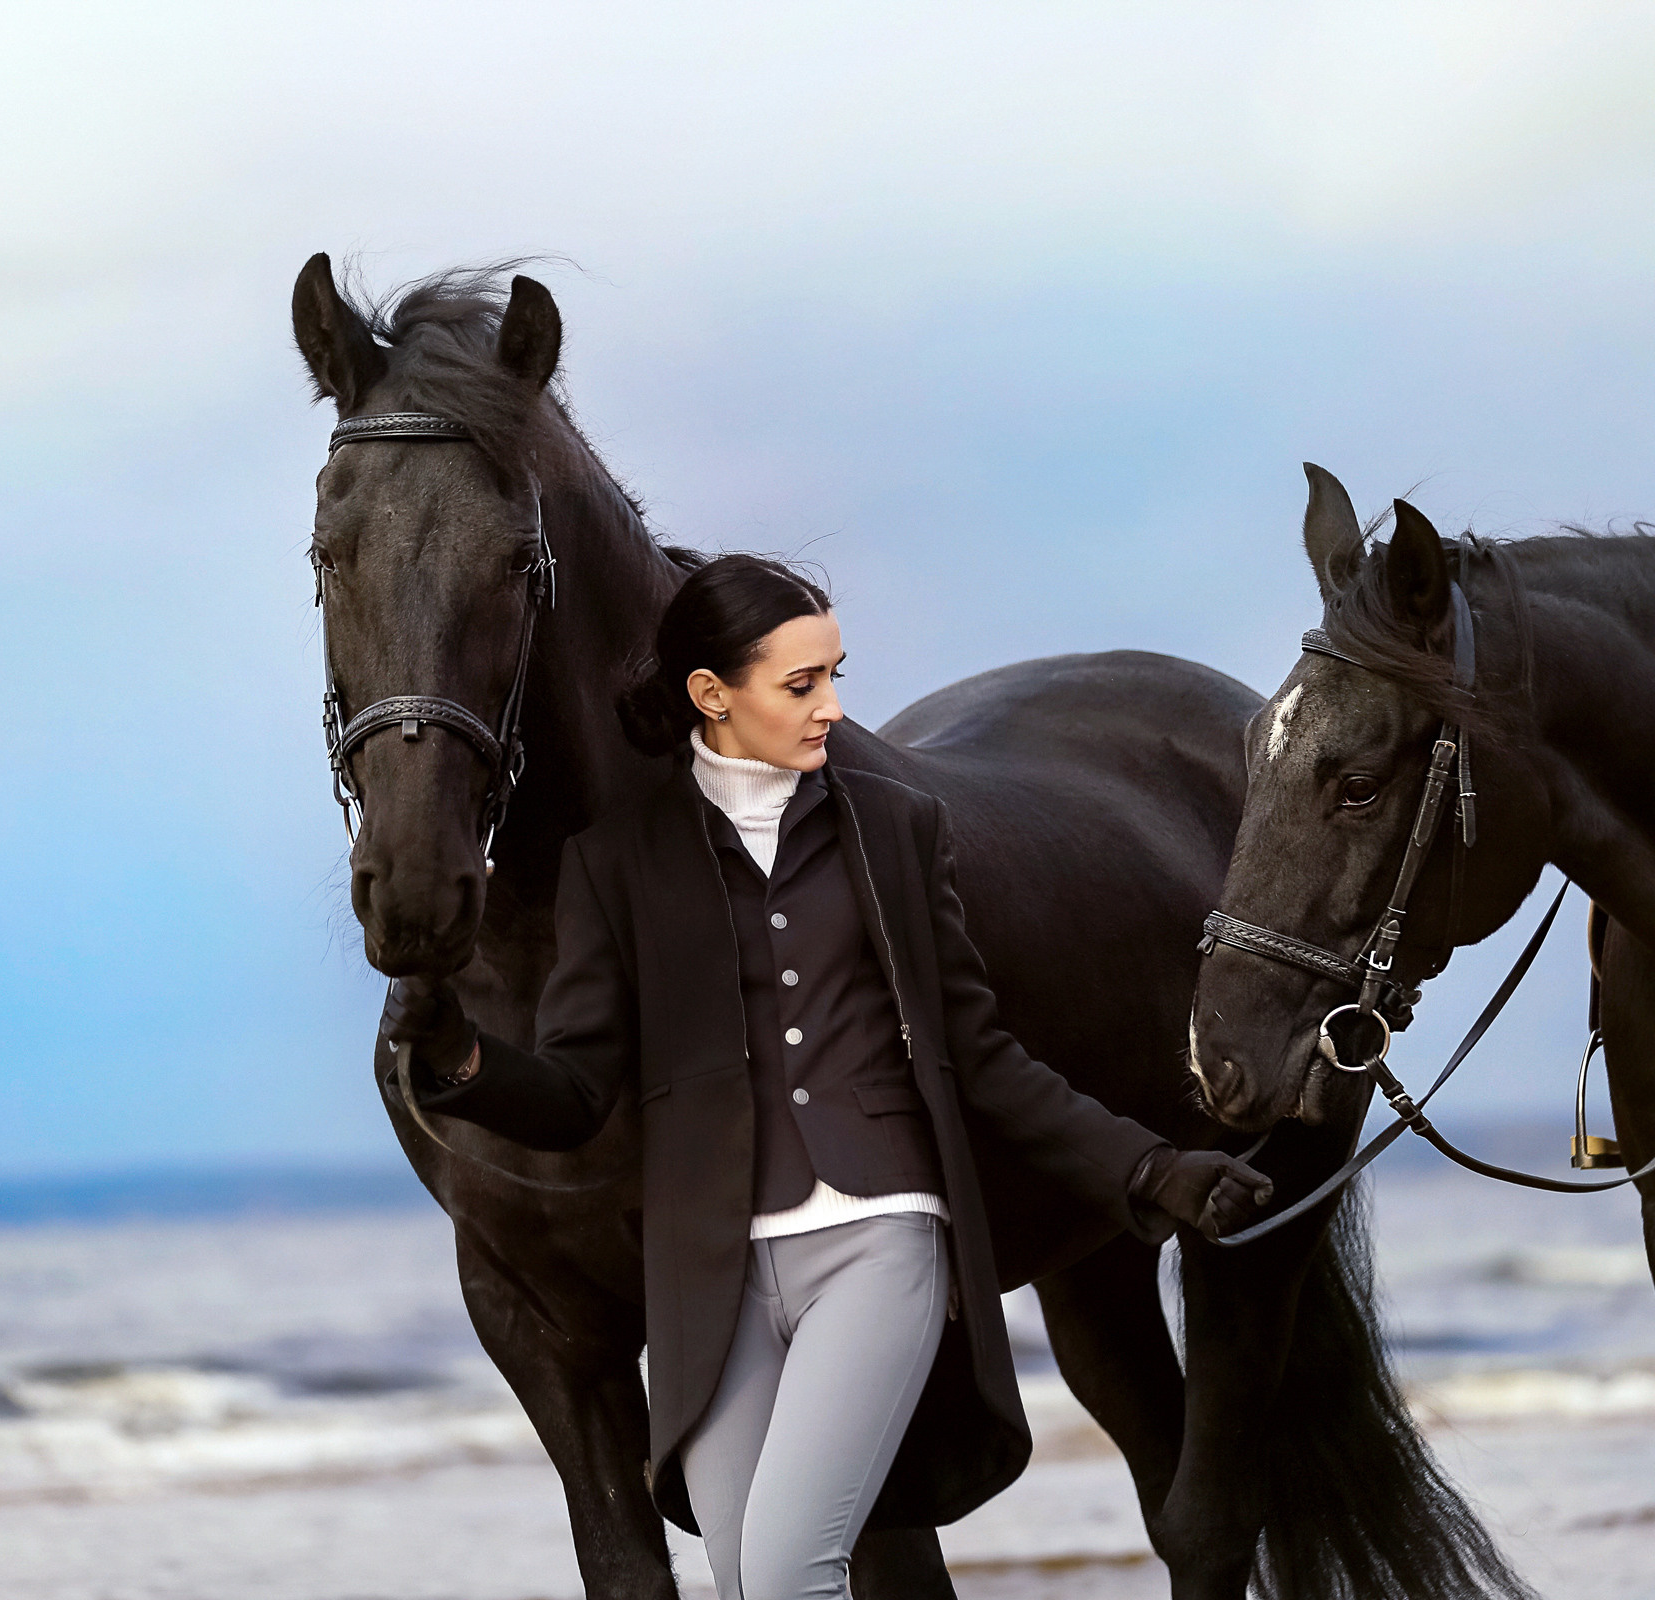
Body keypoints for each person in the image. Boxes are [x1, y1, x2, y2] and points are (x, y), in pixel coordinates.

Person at [384, 554, 1271, 1600]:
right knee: (752, 1571)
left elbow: (982, 1057)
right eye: (801, 685)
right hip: (716, 1277)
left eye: (833, 676)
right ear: (712, 695)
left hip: (873, 1242)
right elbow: (578, 1092)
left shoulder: (893, 829)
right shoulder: (621, 866)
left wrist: (1151, 1168)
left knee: (791, 1562)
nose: (832, 710)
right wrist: (460, 1061)